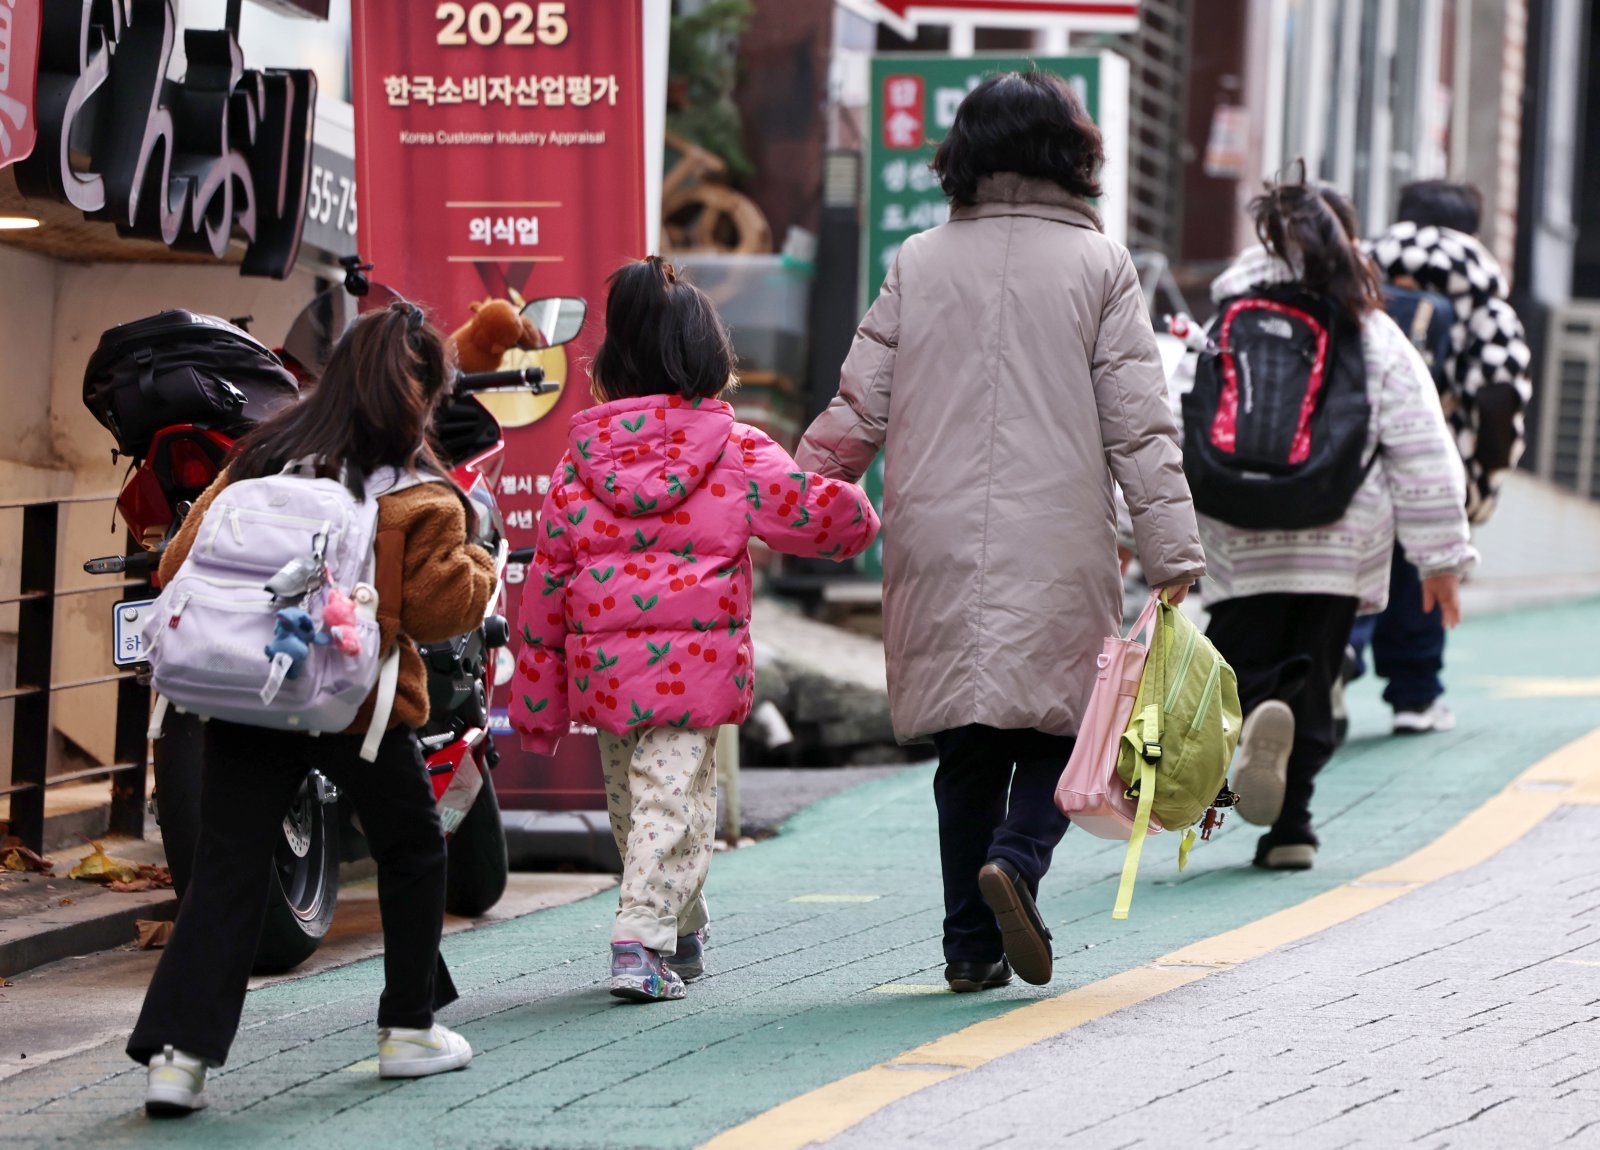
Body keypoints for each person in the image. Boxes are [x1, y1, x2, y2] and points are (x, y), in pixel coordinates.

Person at [795, 71, 1204, 994]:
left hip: (933, 535)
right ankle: (1017, 860)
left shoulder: (919, 260)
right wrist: (1172, 552)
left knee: (967, 743)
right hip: (1059, 535)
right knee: (1071, 719)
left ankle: (969, 947)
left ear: (965, 155)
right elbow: (1140, 428)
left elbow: (857, 410)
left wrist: (782, 505)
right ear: (1071, 154)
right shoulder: (1102, 266)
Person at [129, 304, 496, 1113]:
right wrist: (483, 565)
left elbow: (177, 564)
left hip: (249, 689)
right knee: (411, 847)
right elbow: (442, 610)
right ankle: (409, 1030)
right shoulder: (416, 490)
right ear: (422, 396)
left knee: (227, 869)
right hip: (354, 703)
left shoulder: (262, 456)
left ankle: (178, 1061)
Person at [510, 257, 880, 1003]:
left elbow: (546, 583)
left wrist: (538, 700)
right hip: (693, 667)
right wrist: (859, 514)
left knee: (638, 802)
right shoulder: (734, 449)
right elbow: (814, 515)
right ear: (707, 357)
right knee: (674, 797)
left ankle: (680, 928)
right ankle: (638, 942)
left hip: (606, 673)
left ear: (614, 363)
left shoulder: (579, 462)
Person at [1176, 180, 1477, 871]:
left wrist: (1140, 535)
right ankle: (1293, 830)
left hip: (1237, 528)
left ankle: (1256, 710)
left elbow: (1170, 422)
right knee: (1316, 668)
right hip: (1340, 534)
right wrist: (1440, 558)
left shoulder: (1224, 317)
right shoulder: (1371, 329)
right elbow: (1421, 445)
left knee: (1242, 659)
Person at [1349, 181, 1534, 734]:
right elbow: (1501, 393)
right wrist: (1483, 477)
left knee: (1351, 568)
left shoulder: (1357, 272)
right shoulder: (1481, 293)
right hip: (1435, 463)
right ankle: (1416, 697)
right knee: (1426, 572)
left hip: (1349, 456)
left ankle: (1336, 659)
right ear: (1472, 229)